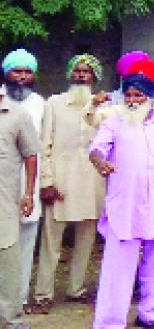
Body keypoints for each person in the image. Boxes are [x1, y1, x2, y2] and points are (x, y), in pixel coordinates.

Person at [88, 59, 154, 328]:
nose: (133, 100)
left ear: (150, 96)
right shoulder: (114, 122)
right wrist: (101, 163)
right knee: (117, 268)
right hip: (125, 206)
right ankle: (110, 322)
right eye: (129, 95)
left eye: (138, 95)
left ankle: (153, 316)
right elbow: (96, 150)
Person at [32, 55, 105, 314]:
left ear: (94, 77)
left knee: (86, 239)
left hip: (92, 183)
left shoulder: (103, 107)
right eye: (77, 71)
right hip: (60, 182)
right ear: (70, 74)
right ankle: (43, 294)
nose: (81, 75)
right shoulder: (54, 103)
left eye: (86, 72)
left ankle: (75, 289)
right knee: (52, 241)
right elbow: (44, 145)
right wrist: (47, 181)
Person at [1, 49, 44, 315]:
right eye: (17, 71)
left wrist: (32, 190)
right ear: (6, 73)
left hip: (27, 184)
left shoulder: (40, 103)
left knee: (21, 246)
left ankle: (18, 300)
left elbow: (37, 151)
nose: (22, 77)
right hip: (4, 184)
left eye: (27, 72)